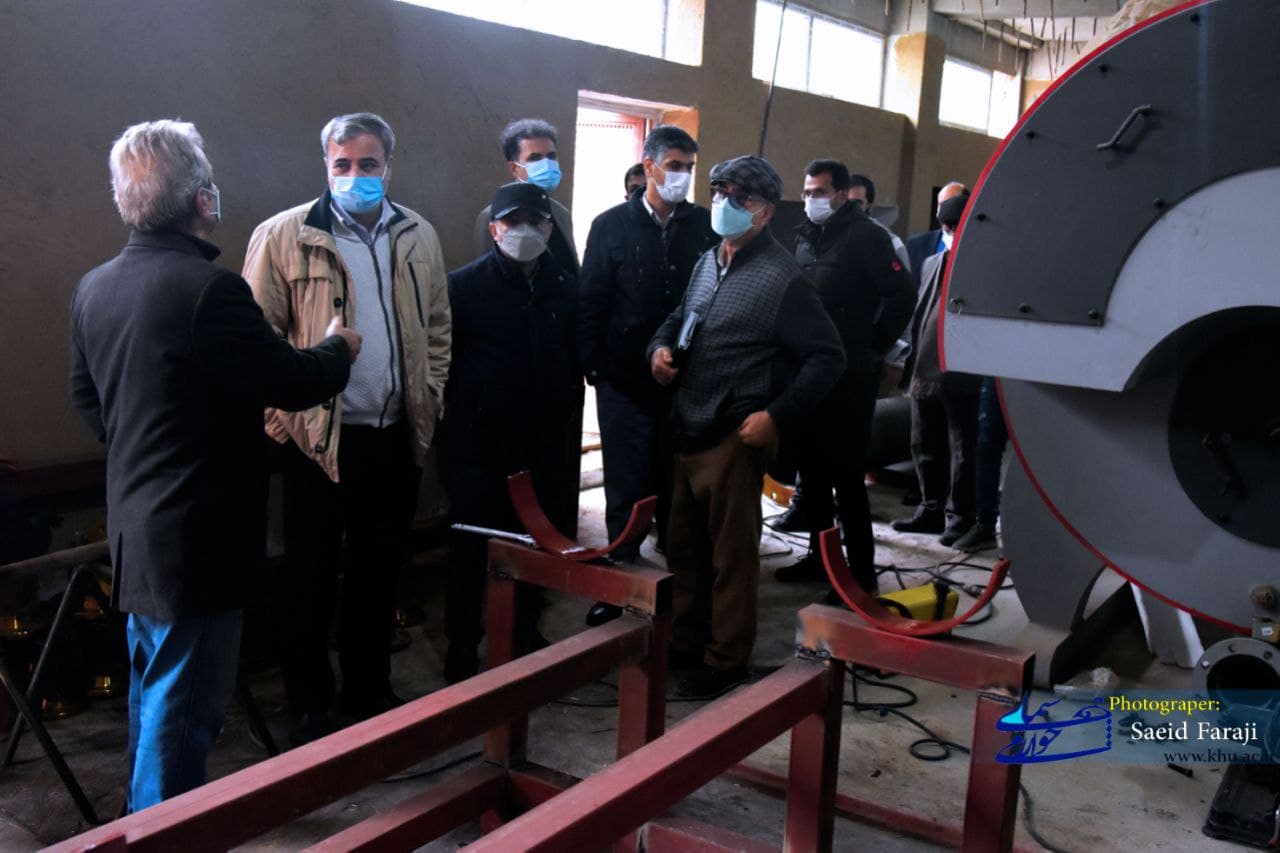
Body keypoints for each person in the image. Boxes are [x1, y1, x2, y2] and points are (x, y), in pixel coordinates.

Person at [69, 120, 357, 809]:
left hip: (137, 529)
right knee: (184, 717)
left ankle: (142, 821)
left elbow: (88, 402)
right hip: (200, 540)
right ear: (202, 198)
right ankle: (165, 834)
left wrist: (156, 445)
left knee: (152, 695)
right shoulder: (208, 289)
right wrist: (338, 348)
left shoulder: (95, 286)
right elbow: (289, 380)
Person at [243, 112, 451, 743]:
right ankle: (309, 702)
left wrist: (429, 395)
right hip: (317, 442)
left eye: (368, 164)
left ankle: (368, 687)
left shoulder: (418, 235)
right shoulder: (284, 235)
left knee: (378, 572)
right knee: (308, 576)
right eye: (343, 164)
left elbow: (437, 327)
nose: (356, 175)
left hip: (393, 435)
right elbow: (255, 343)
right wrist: (284, 423)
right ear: (326, 165)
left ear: (389, 166)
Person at [647, 155, 845, 698]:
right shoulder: (708, 261)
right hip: (687, 427)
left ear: (765, 212)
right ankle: (686, 641)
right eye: (720, 193)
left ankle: (725, 659)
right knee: (683, 549)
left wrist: (777, 415)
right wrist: (658, 349)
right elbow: (678, 318)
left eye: (741, 198)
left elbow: (828, 358)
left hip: (734, 436)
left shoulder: (784, 278)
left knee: (730, 559)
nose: (726, 205)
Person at [440, 182, 583, 683]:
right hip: (479, 446)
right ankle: (462, 644)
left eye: (534, 222)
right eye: (512, 221)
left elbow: (575, 359)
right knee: (470, 549)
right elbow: (446, 365)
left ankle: (524, 633)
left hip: (543, 446)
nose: (523, 231)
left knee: (534, 545)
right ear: (494, 228)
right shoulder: (464, 287)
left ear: (549, 228)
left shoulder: (565, 287)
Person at [578, 125, 717, 626]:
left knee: (677, 489)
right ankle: (619, 583)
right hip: (624, 383)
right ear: (650, 166)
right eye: (674, 166)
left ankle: (678, 594)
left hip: (684, 383)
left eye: (689, 168)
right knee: (626, 486)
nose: (682, 176)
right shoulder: (611, 225)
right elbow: (591, 301)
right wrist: (596, 370)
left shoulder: (703, 226)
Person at [774, 160, 915, 592]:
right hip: (811, 371)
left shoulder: (867, 237)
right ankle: (821, 560)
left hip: (850, 375)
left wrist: (874, 345)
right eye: (807, 192)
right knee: (813, 474)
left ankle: (860, 574)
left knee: (847, 477)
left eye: (819, 192)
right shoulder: (806, 237)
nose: (811, 200)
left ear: (840, 193)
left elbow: (902, 296)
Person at [893, 184, 983, 546]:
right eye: (946, 228)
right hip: (924, 370)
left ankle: (961, 517)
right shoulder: (931, 263)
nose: (949, 234)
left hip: (963, 374)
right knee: (924, 442)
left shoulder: (982, 268)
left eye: (955, 227)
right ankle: (930, 510)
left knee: (963, 448)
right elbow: (920, 315)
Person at [473, 118, 579, 273]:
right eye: (535, 158)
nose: (546, 164)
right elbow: (484, 274)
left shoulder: (561, 213)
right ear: (514, 168)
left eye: (551, 156)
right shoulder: (492, 216)